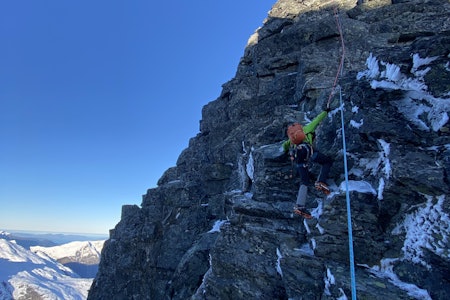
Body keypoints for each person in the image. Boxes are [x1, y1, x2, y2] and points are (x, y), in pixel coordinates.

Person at [283, 108, 333, 218]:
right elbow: (317, 120)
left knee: (304, 181)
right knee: (327, 161)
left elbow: (284, 146)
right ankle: (321, 181)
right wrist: (326, 111)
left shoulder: (291, 140)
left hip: (299, 158)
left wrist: (285, 148)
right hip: (309, 153)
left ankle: (300, 205)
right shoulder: (306, 129)